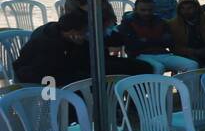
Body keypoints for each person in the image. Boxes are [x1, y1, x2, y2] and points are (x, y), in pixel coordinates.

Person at [12, 10, 150, 86]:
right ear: (72, 32)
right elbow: (55, 71)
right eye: (83, 32)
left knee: (142, 67)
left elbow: (85, 57)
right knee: (96, 81)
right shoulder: (48, 43)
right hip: (44, 78)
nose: (85, 35)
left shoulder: (67, 33)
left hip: (73, 67)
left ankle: (131, 106)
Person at [119, 0, 198, 73]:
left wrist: (145, 40)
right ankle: (153, 86)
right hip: (139, 56)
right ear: (135, 9)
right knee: (158, 67)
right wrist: (156, 40)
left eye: (150, 10)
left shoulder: (159, 21)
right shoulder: (128, 22)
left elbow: (169, 41)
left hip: (162, 53)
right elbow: (131, 45)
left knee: (192, 65)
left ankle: (183, 86)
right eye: (143, 10)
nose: (147, 13)